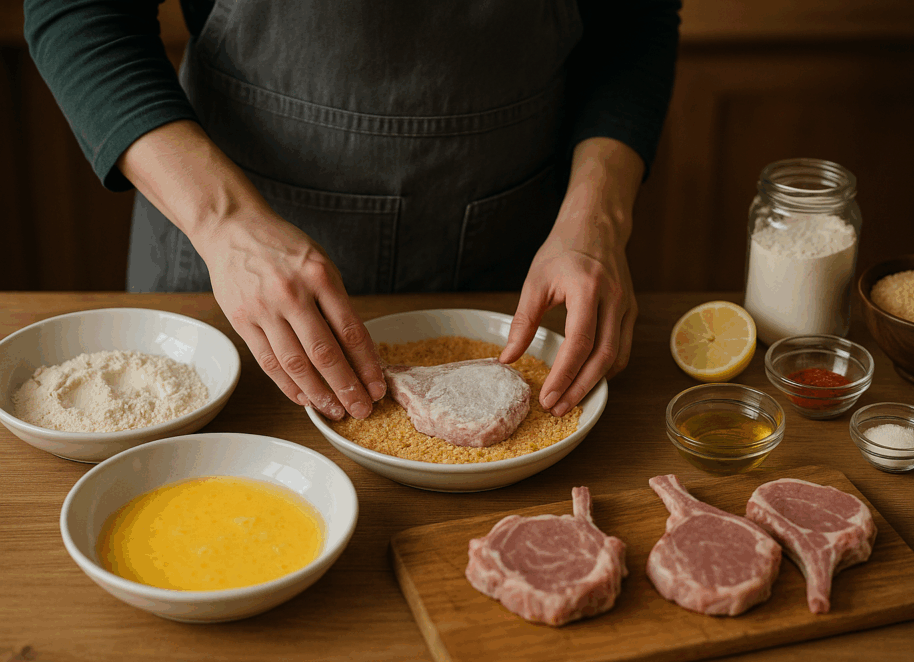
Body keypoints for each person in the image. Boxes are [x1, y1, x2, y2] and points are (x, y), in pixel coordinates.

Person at [25, 0, 681, 422]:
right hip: (231, 269)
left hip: (512, 268)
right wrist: (224, 223)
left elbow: (634, 19)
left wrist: (599, 215)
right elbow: (79, 8)